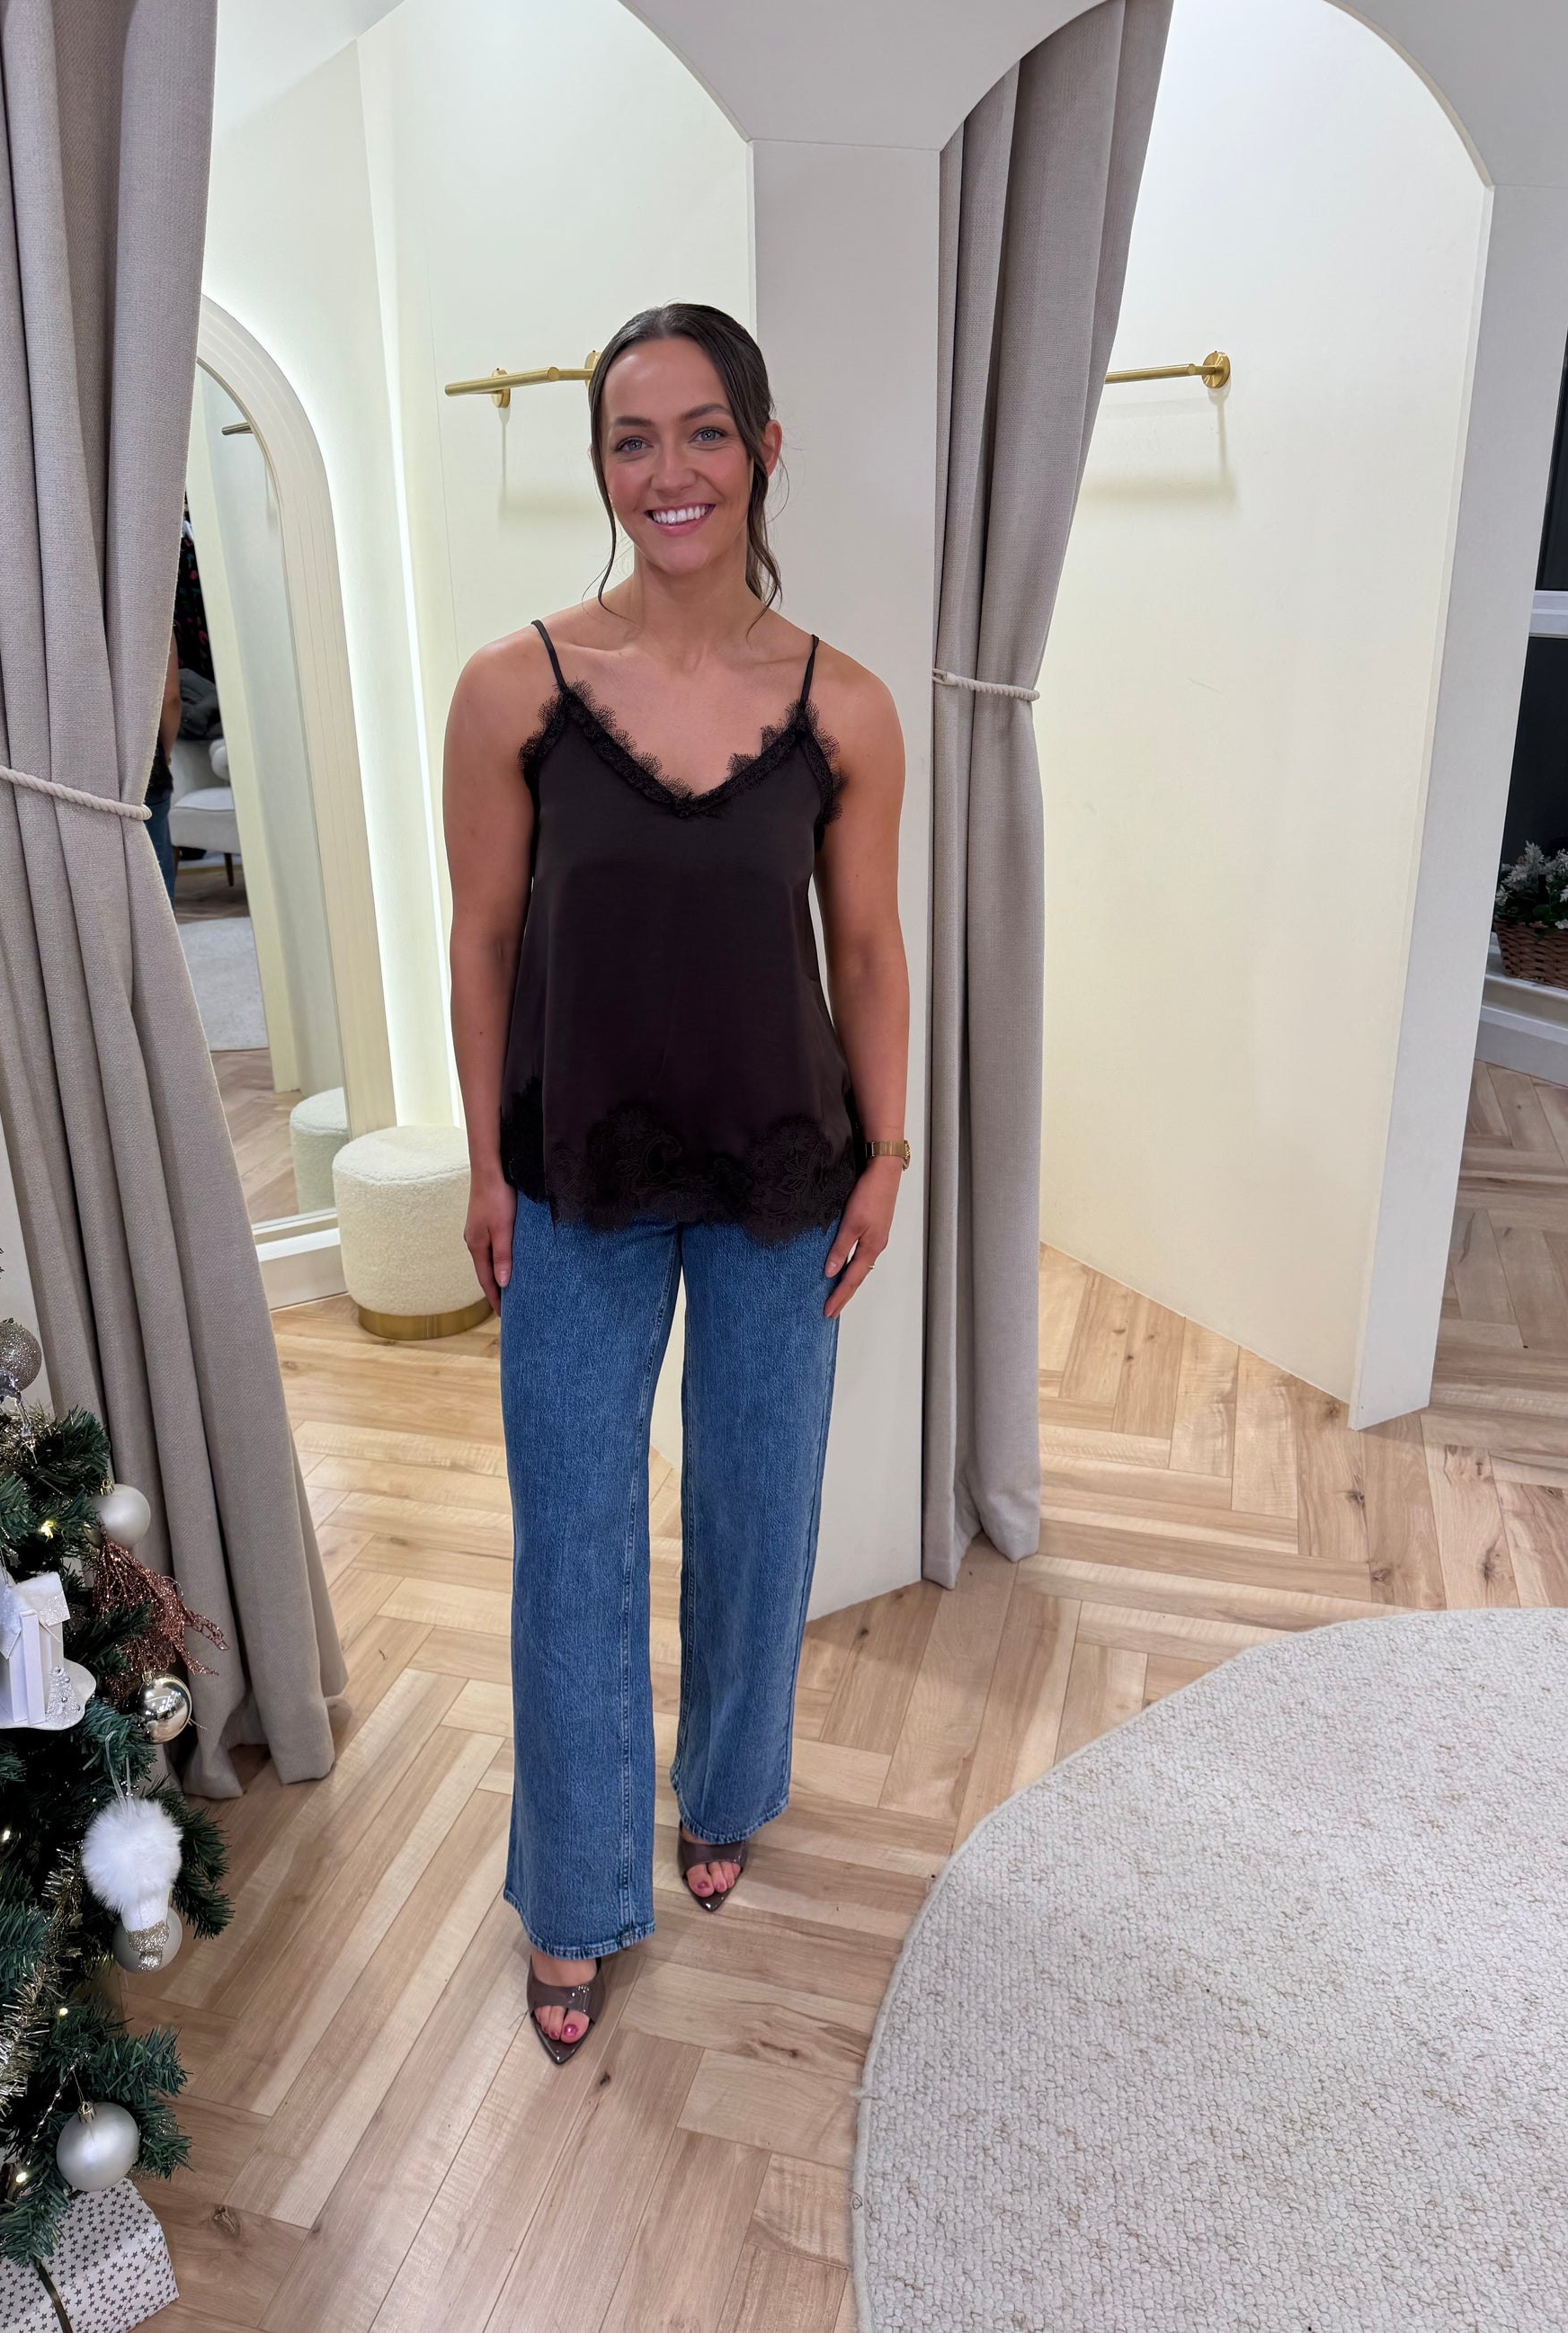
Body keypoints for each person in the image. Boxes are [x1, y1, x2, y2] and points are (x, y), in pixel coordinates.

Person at [442, 303, 910, 2063]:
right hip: (571, 1169)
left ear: (763, 448)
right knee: (570, 1534)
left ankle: (722, 1788)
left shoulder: (845, 704)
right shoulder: (513, 689)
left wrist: (885, 1155)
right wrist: (482, 1159)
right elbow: (483, 940)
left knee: (757, 1506)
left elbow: (868, 952)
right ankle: (573, 1893)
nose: (669, 472)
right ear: (600, 469)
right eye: (631, 440)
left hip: (785, 1164)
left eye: (703, 430)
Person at [147, 633, 182, 904]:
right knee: (155, 883)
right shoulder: (149, 616)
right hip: (147, 768)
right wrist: (165, 754)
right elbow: (169, 698)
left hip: (74, 776)